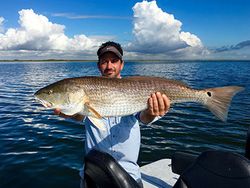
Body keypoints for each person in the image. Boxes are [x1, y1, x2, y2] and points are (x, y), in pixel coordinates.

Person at [55, 41, 170, 187]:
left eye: (114, 61)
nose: (109, 66)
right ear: (98, 65)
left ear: (122, 64)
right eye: (104, 62)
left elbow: (144, 118)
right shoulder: (86, 87)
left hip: (128, 174)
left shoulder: (135, 88)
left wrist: (153, 112)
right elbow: (80, 116)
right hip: (93, 173)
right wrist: (71, 113)